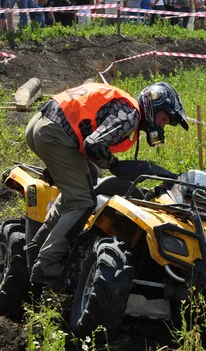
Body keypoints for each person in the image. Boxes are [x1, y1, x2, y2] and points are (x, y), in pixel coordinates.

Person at [25, 82, 189, 285]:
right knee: (83, 202)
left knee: (87, 180)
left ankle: (38, 244)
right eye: (164, 119)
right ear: (153, 106)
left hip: (42, 125)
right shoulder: (131, 115)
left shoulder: (125, 106)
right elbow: (94, 144)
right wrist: (113, 164)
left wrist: (111, 164)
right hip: (55, 132)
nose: (162, 126)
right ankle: (47, 263)